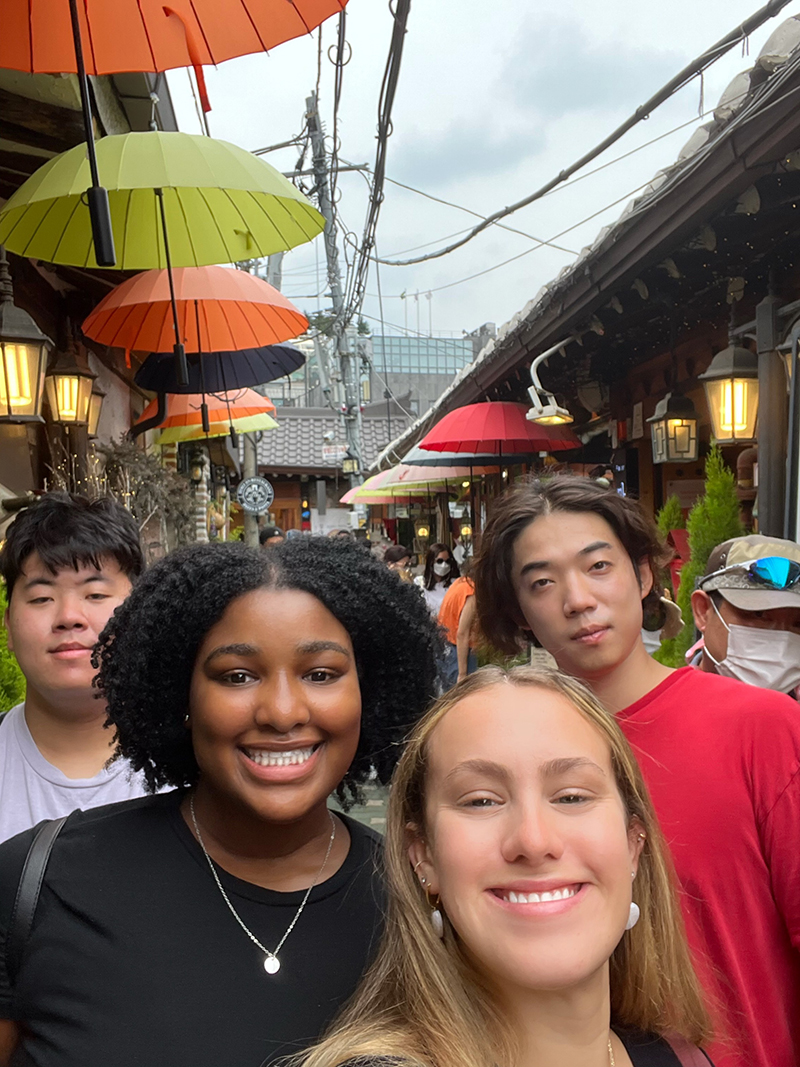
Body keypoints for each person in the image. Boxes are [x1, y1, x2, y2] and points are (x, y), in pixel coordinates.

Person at [0, 538, 442, 1067]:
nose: (282, 712)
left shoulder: (423, 909)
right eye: (237, 676)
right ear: (180, 694)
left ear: (368, 692)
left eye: (320, 674)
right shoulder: (38, 880)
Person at [473, 476, 800, 1067]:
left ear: (644, 575)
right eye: (542, 582)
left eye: (598, 566)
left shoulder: (764, 729)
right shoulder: (502, 758)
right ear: (518, 612)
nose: (578, 599)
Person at [297, 666, 711, 1067]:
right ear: (422, 855)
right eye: (481, 801)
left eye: (571, 797)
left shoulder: (682, 1058)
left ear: (632, 845)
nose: (533, 841)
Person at [0, 492, 147, 844]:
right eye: (41, 598)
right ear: (7, 625)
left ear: (140, 613)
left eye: (95, 594)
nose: (68, 617)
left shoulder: (199, 769)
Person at [691, 534, 800, 693]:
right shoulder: (660, 711)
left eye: (798, 624)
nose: (782, 642)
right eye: (758, 614)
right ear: (703, 611)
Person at [437, 562, 479, 686]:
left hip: (446, 647)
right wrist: (463, 673)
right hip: (459, 653)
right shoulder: (472, 593)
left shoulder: (460, 583)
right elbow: (462, 633)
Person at [417, 543, 459, 618]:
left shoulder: (456, 584)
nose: (444, 565)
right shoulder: (419, 583)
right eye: (440, 561)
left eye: (448, 561)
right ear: (431, 562)